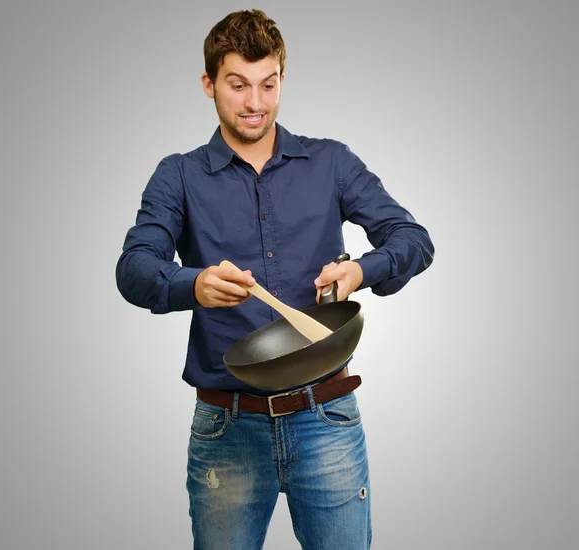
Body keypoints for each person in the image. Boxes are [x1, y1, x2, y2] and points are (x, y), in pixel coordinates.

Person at [116, 9, 434, 550]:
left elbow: (413, 238)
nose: (255, 103)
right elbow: (135, 266)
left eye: (268, 84)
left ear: (282, 79)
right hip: (227, 427)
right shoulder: (179, 174)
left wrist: (361, 269)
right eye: (238, 85)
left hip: (326, 417)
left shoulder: (331, 162)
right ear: (209, 83)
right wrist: (190, 284)